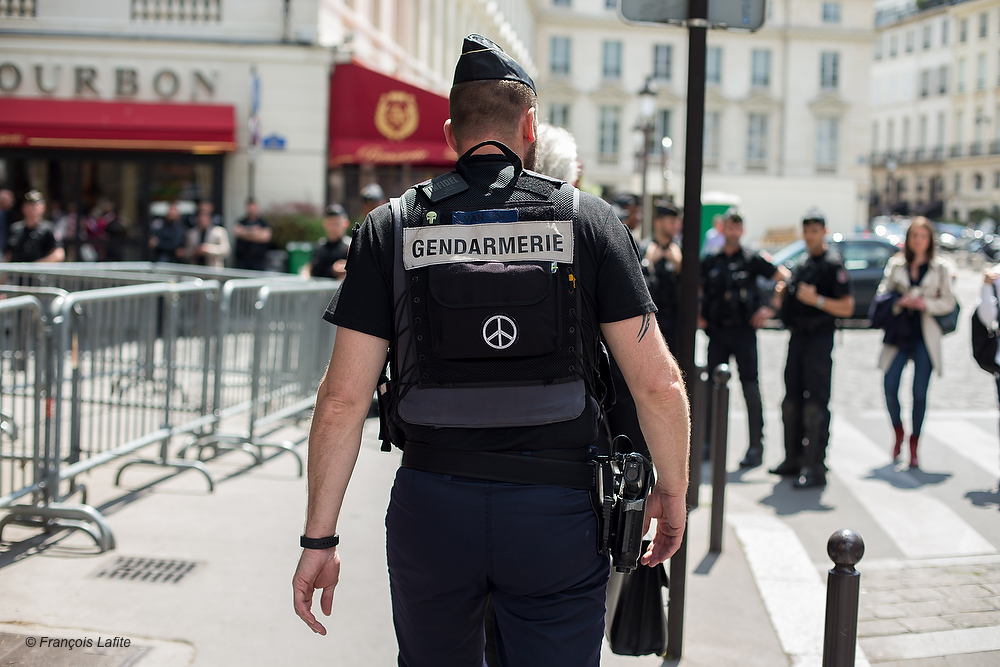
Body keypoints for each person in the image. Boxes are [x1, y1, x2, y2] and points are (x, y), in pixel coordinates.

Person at [292, 34, 690, 666]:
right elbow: (658, 385)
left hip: (433, 505)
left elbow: (341, 400)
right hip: (558, 513)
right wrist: (672, 494)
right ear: (529, 126)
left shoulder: (389, 227)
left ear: (451, 133)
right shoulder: (588, 222)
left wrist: (320, 539)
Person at [769, 208, 854, 489]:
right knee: (791, 400)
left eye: (814, 231)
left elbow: (847, 307)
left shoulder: (833, 264)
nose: (809, 236)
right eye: (806, 231)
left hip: (819, 338)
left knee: (816, 403)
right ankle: (793, 458)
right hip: (798, 338)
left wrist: (817, 301)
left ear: (824, 232)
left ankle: (815, 465)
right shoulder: (804, 263)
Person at [700, 208, 790, 468]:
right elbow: (697, 287)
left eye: (737, 227)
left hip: (744, 332)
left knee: (750, 388)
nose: (733, 231)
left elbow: (783, 277)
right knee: (711, 388)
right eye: (729, 226)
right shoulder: (711, 260)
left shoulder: (752, 259)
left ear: (743, 230)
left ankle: (755, 447)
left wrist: (771, 307)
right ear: (723, 229)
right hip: (718, 333)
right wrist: (698, 315)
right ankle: (707, 444)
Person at [875, 217, 956, 468]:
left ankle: (914, 443)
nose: (918, 241)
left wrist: (925, 303)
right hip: (899, 334)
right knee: (890, 386)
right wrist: (900, 302)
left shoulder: (940, 267)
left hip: (925, 335)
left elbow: (949, 301)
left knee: (919, 393)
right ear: (908, 238)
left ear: (930, 240)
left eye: (923, 236)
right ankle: (898, 430)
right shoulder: (896, 264)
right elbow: (882, 294)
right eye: (914, 235)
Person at [641, 201, 683, 351]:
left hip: (675, 319)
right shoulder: (644, 248)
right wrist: (648, 262)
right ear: (658, 223)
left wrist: (680, 265)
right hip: (650, 318)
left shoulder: (680, 250)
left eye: (676, 222)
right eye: (671, 222)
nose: (675, 226)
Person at [5, 190, 64, 263]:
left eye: (34, 206)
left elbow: (59, 254)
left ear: (43, 208)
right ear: (23, 208)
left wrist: (38, 265)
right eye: (29, 205)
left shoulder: (49, 229)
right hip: (18, 269)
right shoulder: (15, 229)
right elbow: (8, 254)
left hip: (40, 269)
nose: (31, 209)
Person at [307, 204, 351, 280]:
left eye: (336, 224)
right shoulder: (320, 246)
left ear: (345, 224)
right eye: (330, 224)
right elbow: (312, 269)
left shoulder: (350, 246)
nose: (333, 228)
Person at [183, 202, 231, 268]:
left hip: (213, 270)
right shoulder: (191, 233)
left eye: (205, 216)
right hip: (195, 268)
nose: (203, 219)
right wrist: (194, 252)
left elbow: (226, 251)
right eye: (201, 216)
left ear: (210, 218)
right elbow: (185, 252)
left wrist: (207, 249)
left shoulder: (219, 232)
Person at [233, 198, 272, 270]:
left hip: (258, 261)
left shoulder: (263, 223)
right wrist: (255, 232)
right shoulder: (241, 221)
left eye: (253, 207)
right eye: (250, 207)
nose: (251, 209)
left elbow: (266, 237)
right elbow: (236, 232)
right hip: (242, 260)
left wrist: (245, 233)